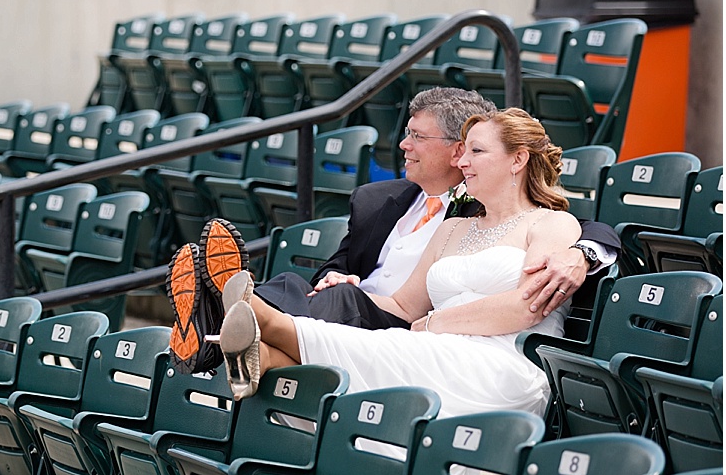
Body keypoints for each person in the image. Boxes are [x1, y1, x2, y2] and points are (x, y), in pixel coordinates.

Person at [166, 87, 618, 374]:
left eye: (418, 136)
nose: (403, 145)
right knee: (314, 290)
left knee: (338, 304)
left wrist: (586, 253)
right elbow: (370, 283)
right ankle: (230, 342)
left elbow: (586, 234)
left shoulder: (546, 222)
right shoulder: (385, 203)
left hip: (455, 345)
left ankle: (229, 315)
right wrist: (340, 280)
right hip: (383, 315)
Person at [210, 107, 582, 416]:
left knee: (388, 347)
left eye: (477, 152)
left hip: (501, 365)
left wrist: (434, 323)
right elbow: (404, 304)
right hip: (435, 350)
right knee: (365, 352)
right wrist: (353, 289)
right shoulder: (453, 227)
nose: (463, 161)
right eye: (464, 151)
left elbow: (527, 306)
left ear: (518, 159)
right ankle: (264, 354)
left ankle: (254, 317)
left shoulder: (552, 223)